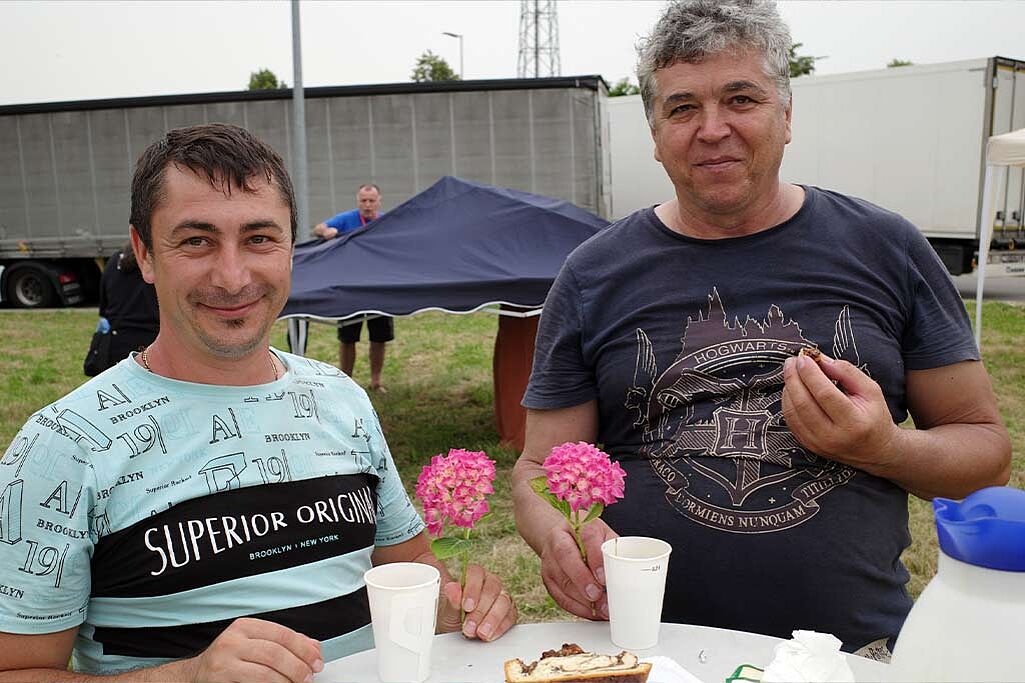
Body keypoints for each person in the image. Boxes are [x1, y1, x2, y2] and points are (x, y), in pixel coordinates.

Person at [512, 0, 1011, 658]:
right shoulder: (592, 274)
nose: (711, 128)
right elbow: (538, 468)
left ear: (785, 115)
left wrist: (884, 447)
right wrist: (557, 533)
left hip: (849, 655)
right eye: (682, 107)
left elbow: (985, 457)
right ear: (656, 135)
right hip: (644, 652)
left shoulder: (884, 248)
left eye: (739, 98)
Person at [0, 124, 516, 681]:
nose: (232, 276)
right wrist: (186, 677)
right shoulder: (63, 447)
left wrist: (459, 603)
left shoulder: (341, 399)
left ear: (291, 250)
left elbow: (411, 566)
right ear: (145, 254)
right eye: (196, 240)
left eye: (259, 239)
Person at [312, 184, 393, 392]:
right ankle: (346, 382)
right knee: (348, 338)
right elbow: (318, 228)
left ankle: (376, 381)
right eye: (363, 201)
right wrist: (326, 231)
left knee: (379, 337)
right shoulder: (347, 219)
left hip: (379, 288)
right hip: (350, 288)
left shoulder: (386, 222)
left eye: (371, 201)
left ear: (379, 201)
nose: (367, 205)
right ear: (358, 201)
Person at [84, 243, 160, 376]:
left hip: (115, 349)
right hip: (153, 348)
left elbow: (104, 310)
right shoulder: (161, 265)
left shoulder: (115, 260)